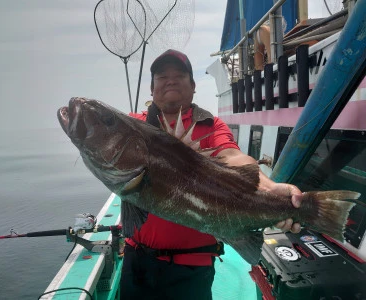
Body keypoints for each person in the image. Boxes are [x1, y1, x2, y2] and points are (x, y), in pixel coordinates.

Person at [120, 49, 302, 299]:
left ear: (193, 86)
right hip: (136, 261)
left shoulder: (211, 126)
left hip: (192, 267)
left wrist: (270, 189)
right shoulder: (133, 127)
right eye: (162, 76)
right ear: (151, 89)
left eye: (179, 75)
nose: (170, 80)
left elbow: (233, 158)